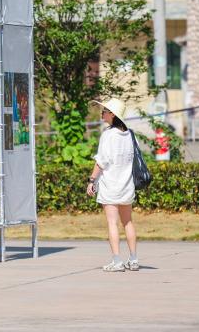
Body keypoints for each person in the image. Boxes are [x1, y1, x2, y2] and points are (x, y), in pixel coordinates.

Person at [87, 98, 139, 272]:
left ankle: (117, 261)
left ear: (113, 115)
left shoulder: (108, 135)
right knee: (128, 222)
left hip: (111, 185)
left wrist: (91, 180)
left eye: (105, 111)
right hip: (127, 185)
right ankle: (133, 259)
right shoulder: (130, 134)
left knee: (112, 223)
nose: (102, 113)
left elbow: (101, 161)